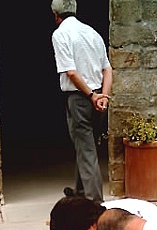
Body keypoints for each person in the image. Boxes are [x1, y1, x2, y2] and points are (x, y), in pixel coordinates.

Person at [51, 0, 112, 203]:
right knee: (86, 145)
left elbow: (70, 72)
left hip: (80, 97)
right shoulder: (92, 33)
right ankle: (79, 190)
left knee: (86, 149)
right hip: (98, 97)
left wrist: (91, 96)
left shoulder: (61, 34)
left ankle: (94, 201)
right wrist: (103, 96)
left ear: (55, 14)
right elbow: (107, 69)